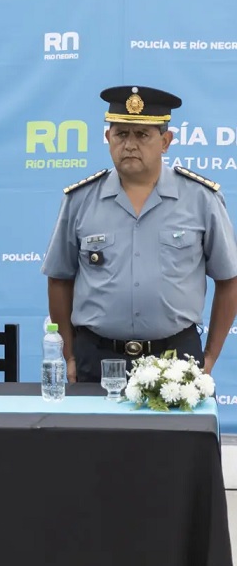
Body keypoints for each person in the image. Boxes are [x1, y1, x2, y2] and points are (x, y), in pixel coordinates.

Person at [42, 85, 237, 382]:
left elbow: (229, 280)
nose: (130, 145)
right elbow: (59, 279)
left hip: (176, 360)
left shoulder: (201, 199)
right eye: (121, 134)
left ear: (166, 141)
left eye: (142, 135)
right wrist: (70, 356)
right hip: (96, 359)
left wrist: (208, 358)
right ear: (108, 139)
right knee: (92, 431)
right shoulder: (79, 200)